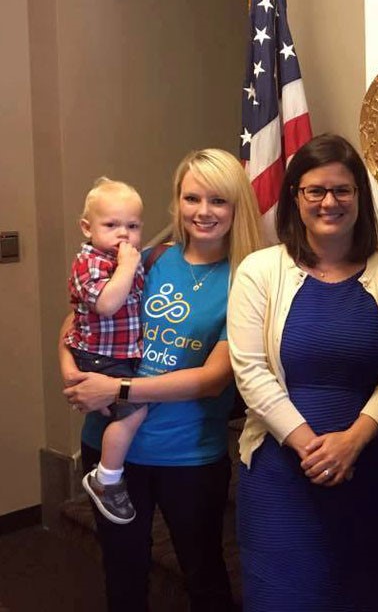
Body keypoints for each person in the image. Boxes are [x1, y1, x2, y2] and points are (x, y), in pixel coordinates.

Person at [61, 148, 262, 611]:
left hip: (188, 457)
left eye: (219, 200)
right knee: (124, 573)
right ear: (177, 202)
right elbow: (76, 321)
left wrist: (118, 389)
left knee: (204, 574)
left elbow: (213, 379)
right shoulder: (146, 258)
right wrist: (71, 371)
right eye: (192, 198)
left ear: (237, 207)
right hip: (113, 452)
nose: (203, 212)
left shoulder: (247, 279)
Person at [228, 134, 378, 611]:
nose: (329, 201)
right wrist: (309, 445)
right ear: (295, 197)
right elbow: (249, 372)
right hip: (279, 473)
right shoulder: (259, 270)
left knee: (367, 597)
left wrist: (351, 441)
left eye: (342, 190)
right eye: (315, 190)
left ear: (360, 198)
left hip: (369, 470)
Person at [64, 178, 146, 524]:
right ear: (87, 227)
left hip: (115, 354)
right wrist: (127, 266)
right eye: (111, 225)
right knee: (134, 411)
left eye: (132, 226)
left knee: (117, 411)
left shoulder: (124, 259)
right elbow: (108, 304)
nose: (123, 235)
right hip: (100, 355)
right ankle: (106, 478)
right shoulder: (91, 263)